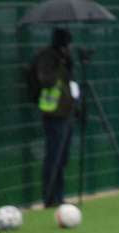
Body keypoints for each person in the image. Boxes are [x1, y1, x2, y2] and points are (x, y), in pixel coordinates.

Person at [29, 28, 76, 208]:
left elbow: (70, 81)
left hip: (66, 110)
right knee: (53, 155)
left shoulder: (65, 59)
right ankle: (49, 197)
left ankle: (59, 195)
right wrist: (59, 64)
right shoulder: (48, 57)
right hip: (53, 112)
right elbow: (46, 80)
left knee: (62, 157)